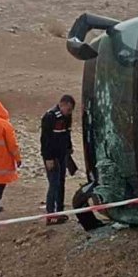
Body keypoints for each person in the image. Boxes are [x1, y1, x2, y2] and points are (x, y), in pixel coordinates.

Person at [40, 94, 75, 225]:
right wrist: (48, 158)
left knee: (61, 183)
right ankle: (51, 214)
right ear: (62, 104)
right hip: (52, 156)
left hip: (62, 155)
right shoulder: (50, 117)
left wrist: (69, 148)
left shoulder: (66, 117)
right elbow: (45, 139)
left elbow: (67, 133)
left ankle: (59, 211)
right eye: (68, 109)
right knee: (54, 184)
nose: (69, 112)